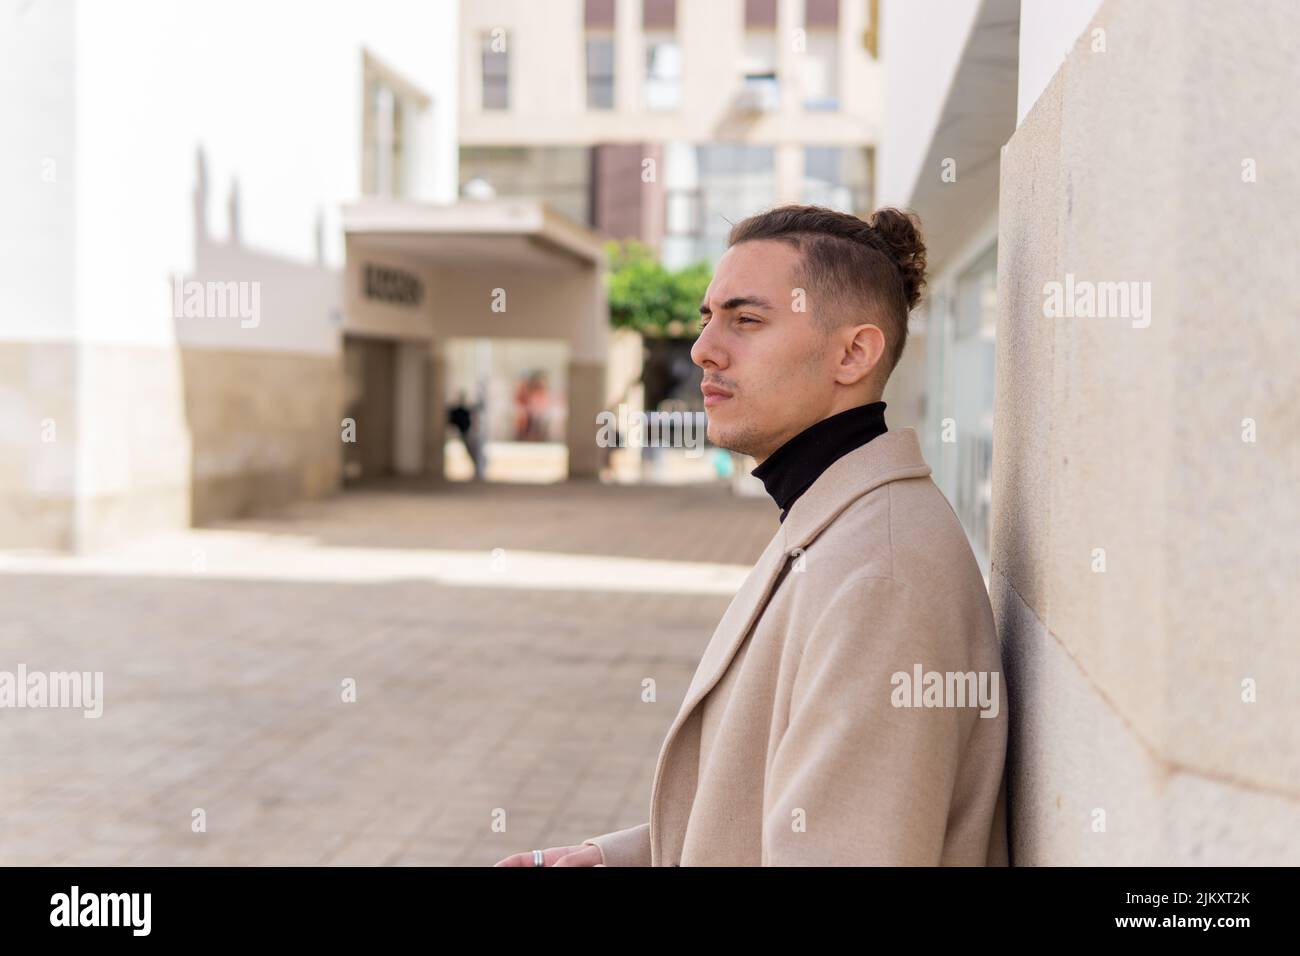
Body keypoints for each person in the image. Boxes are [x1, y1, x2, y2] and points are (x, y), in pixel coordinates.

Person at [495, 205, 1008, 867]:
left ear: (852, 353)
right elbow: (771, 803)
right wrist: (619, 858)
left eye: (746, 319)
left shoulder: (881, 573)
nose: (703, 347)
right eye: (710, 317)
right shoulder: (836, 517)